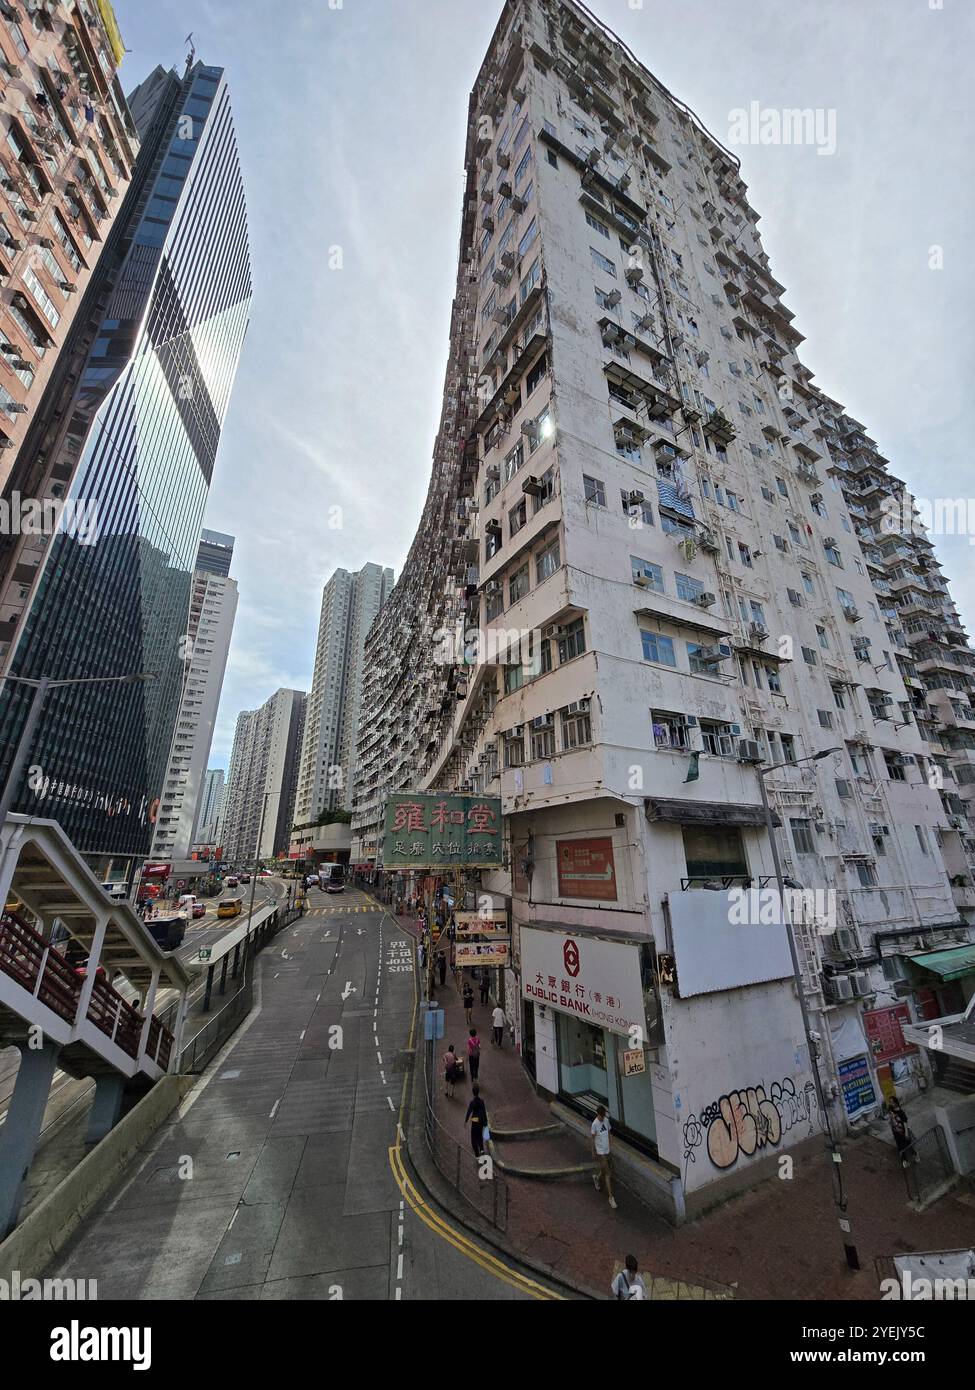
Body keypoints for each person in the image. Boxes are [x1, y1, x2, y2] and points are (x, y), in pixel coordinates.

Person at [591, 1104, 617, 1209]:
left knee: (606, 1169)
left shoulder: (606, 1120)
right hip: (600, 1152)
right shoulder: (594, 1124)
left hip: (607, 1150)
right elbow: (592, 1138)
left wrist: (611, 1143)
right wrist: (593, 1151)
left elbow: (609, 1132)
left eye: (603, 1115)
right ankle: (611, 1198)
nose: (602, 1118)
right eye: (601, 1116)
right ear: (598, 1114)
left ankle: (596, 1178)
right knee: (608, 1173)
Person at [888, 1096, 916, 1165]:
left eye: (892, 1102)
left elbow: (905, 1123)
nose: (891, 1104)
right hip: (895, 1132)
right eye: (890, 1102)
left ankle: (914, 1154)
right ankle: (904, 1160)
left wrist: (906, 1133)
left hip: (902, 1131)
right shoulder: (890, 1108)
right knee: (900, 1146)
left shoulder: (901, 1112)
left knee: (908, 1144)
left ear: (896, 1102)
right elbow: (890, 1117)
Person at [465, 1083, 488, 1158]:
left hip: (475, 1120)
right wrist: (485, 1122)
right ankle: (482, 1151)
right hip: (481, 1121)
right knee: (480, 1137)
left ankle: (477, 1154)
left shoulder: (472, 1102)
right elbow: (484, 1112)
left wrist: (466, 1121)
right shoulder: (482, 1101)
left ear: (473, 1093)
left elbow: (469, 1112)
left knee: (473, 1138)